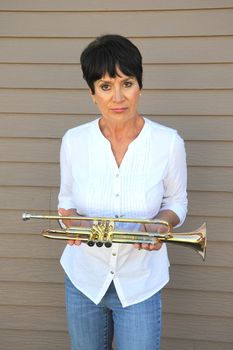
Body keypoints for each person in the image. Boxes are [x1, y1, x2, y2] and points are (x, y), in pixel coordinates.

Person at [58, 34, 187, 350]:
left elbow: (176, 202)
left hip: (140, 282)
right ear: (92, 94)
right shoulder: (74, 141)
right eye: (105, 86)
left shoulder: (168, 143)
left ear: (139, 86)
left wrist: (162, 223)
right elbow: (67, 202)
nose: (118, 97)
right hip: (84, 280)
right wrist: (72, 222)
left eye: (126, 83)